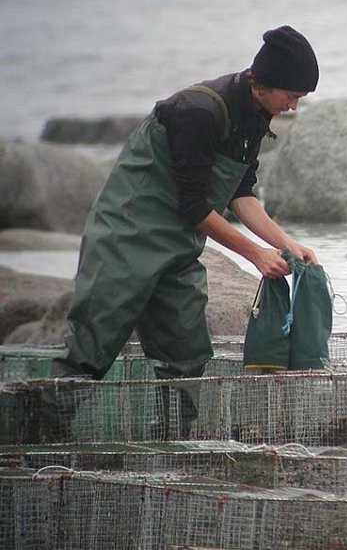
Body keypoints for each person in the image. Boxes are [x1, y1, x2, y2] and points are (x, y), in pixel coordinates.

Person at [43, 25, 320, 440]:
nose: (294, 106)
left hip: (177, 246)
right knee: (92, 347)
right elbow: (192, 206)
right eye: (292, 96)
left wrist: (285, 244)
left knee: (186, 351)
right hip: (126, 235)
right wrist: (254, 254)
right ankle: (41, 438)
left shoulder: (256, 116)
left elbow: (241, 195)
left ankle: (169, 444)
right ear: (264, 82)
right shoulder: (198, 111)